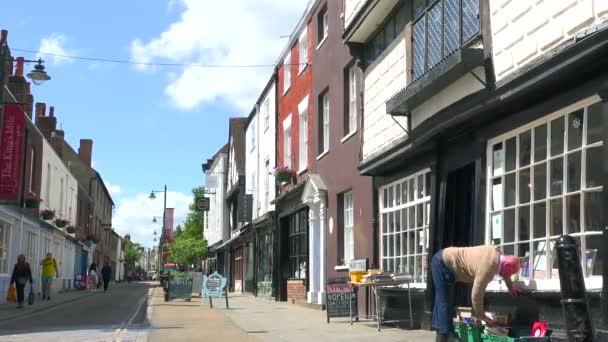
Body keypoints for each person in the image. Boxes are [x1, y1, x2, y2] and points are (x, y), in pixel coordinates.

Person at [431, 245, 522, 342]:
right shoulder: (487, 268)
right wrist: (484, 317)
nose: (510, 276)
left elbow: (505, 273)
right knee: (444, 300)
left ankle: (441, 336)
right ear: (507, 266)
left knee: (442, 299)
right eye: (512, 273)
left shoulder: (497, 255)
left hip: (444, 259)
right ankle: (448, 335)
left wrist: (510, 287)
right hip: (442, 263)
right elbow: (476, 295)